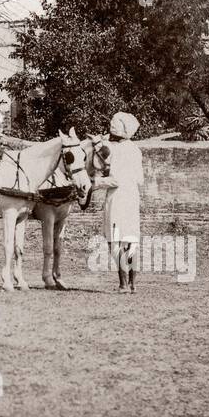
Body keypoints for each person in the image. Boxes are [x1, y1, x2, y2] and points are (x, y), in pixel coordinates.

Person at [94, 111, 144, 293]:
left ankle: (123, 284)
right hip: (132, 197)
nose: (111, 128)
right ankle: (132, 284)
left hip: (117, 198)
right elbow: (140, 179)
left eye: (114, 125)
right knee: (131, 240)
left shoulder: (114, 149)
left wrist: (95, 183)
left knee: (115, 241)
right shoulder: (135, 150)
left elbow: (115, 179)